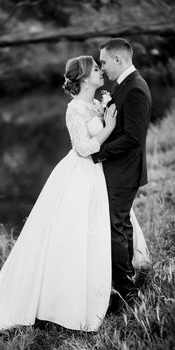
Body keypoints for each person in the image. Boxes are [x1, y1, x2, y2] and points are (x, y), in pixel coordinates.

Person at [0, 55, 149, 340]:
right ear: (84, 78)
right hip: (80, 174)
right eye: (96, 69)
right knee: (73, 234)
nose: (101, 71)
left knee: (99, 230)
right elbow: (83, 148)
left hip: (98, 174)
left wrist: (105, 116)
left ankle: (108, 284)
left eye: (101, 66)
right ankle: (64, 302)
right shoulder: (75, 109)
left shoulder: (94, 103)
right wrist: (107, 127)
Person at [91, 38, 151, 312]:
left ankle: (125, 293)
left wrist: (98, 152)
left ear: (119, 59)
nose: (101, 67)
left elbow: (133, 137)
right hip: (121, 170)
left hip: (124, 172)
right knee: (122, 224)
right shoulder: (125, 84)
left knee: (114, 227)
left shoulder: (135, 88)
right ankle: (128, 283)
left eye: (103, 61)